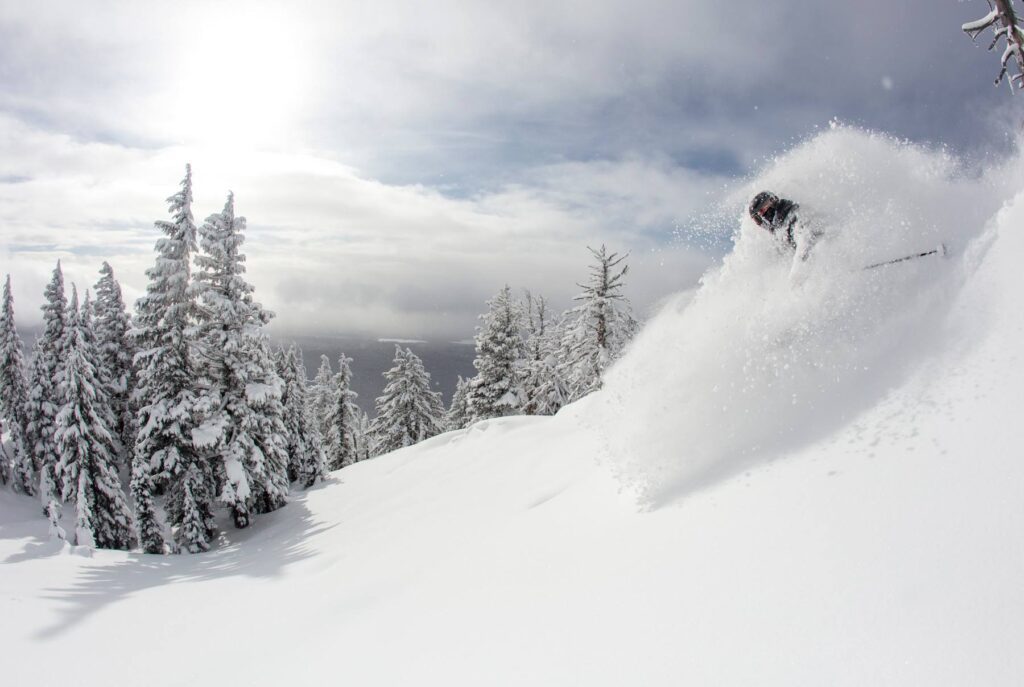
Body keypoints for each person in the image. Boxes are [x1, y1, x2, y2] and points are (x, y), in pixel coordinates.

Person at [748, 191, 822, 268]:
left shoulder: (794, 216)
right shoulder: (780, 230)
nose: (762, 218)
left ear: (772, 201)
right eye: (757, 219)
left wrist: (798, 271)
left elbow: (807, 239)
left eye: (762, 210)